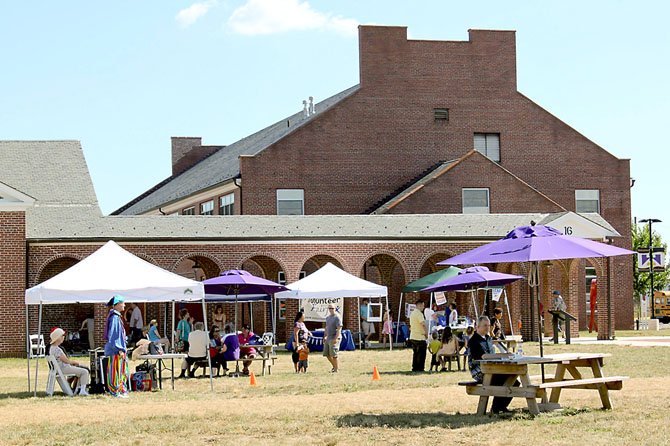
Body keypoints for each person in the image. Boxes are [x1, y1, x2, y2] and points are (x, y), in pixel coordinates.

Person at [469, 315, 518, 414]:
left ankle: (501, 407)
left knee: (514, 381)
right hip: (480, 371)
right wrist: (502, 356)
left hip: (492, 368)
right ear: (477, 327)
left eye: (488, 325)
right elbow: (484, 356)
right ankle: (496, 408)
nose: (487, 327)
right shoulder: (474, 340)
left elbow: (492, 354)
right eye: (484, 325)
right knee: (502, 380)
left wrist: (505, 355)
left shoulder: (488, 338)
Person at [49, 327, 90, 395]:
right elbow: (66, 361)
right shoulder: (57, 349)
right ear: (58, 338)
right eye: (62, 336)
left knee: (80, 371)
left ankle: (77, 390)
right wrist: (74, 362)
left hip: (60, 369)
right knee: (84, 371)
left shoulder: (52, 348)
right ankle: (82, 390)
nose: (64, 337)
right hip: (64, 369)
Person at [104, 295, 129, 398]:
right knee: (115, 371)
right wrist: (119, 349)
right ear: (117, 304)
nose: (124, 305)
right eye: (123, 303)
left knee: (121, 370)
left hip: (118, 349)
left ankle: (121, 390)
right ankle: (115, 391)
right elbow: (114, 335)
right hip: (115, 350)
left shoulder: (116, 316)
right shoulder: (114, 317)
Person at [409, 300, 427, 372]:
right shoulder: (419, 314)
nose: (423, 307)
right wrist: (426, 333)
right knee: (421, 354)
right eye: (423, 305)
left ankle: (415, 367)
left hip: (413, 336)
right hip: (420, 337)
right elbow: (423, 324)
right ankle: (420, 368)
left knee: (415, 354)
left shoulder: (412, 313)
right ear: (419, 305)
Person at [323, 304, 342, 373]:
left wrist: (336, 339)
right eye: (329, 308)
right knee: (327, 354)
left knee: (334, 354)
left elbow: (339, 329)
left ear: (335, 309)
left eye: (332, 308)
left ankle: (336, 369)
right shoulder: (328, 318)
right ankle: (334, 366)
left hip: (334, 337)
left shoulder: (337, 317)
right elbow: (327, 328)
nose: (331, 310)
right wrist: (325, 336)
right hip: (328, 337)